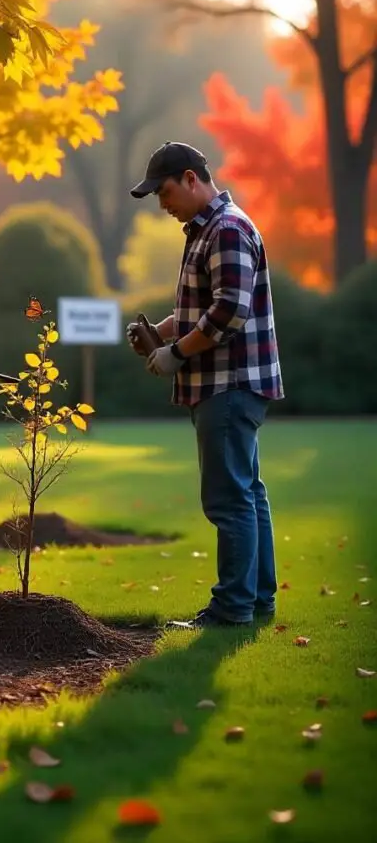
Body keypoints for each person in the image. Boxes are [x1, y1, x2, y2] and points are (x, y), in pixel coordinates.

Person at [127, 142, 284, 629]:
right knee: (247, 492)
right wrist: (163, 331)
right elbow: (201, 310)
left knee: (227, 498)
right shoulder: (206, 230)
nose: (163, 203)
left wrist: (174, 354)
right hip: (231, 383)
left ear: (192, 179)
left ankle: (232, 607)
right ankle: (256, 600)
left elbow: (229, 312)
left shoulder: (227, 228)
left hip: (228, 384)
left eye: (166, 191)